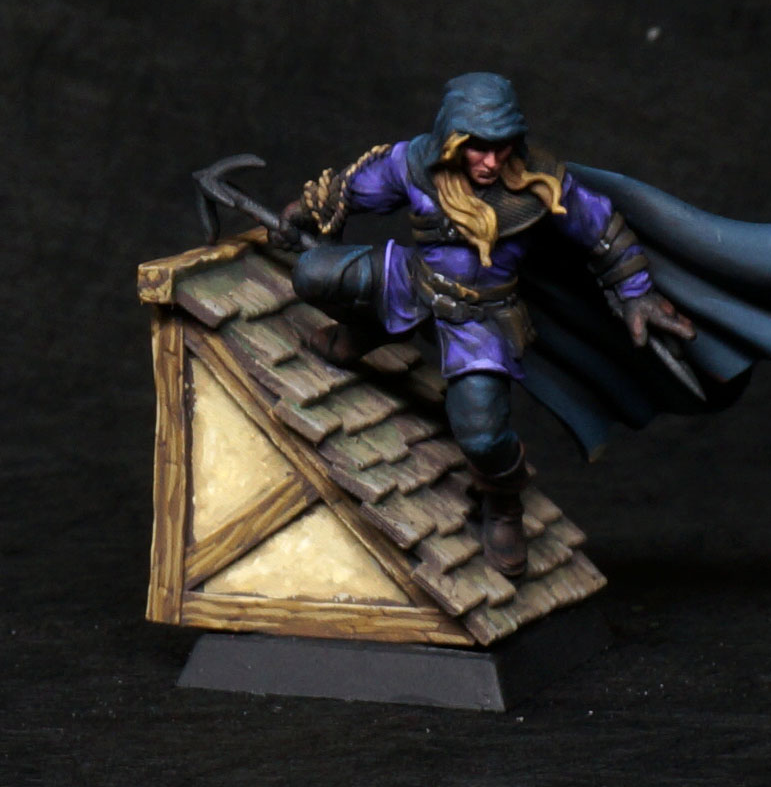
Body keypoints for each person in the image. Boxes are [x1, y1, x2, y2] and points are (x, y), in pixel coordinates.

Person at [269, 72, 695, 578]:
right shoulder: (415, 163)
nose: (490, 162)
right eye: (478, 147)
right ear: (451, 140)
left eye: (501, 147)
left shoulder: (539, 183)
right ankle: (369, 329)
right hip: (412, 282)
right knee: (314, 274)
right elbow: (350, 191)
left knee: (483, 437)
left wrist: (636, 293)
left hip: (480, 319)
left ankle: (503, 503)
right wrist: (304, 213)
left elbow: (601, 228)